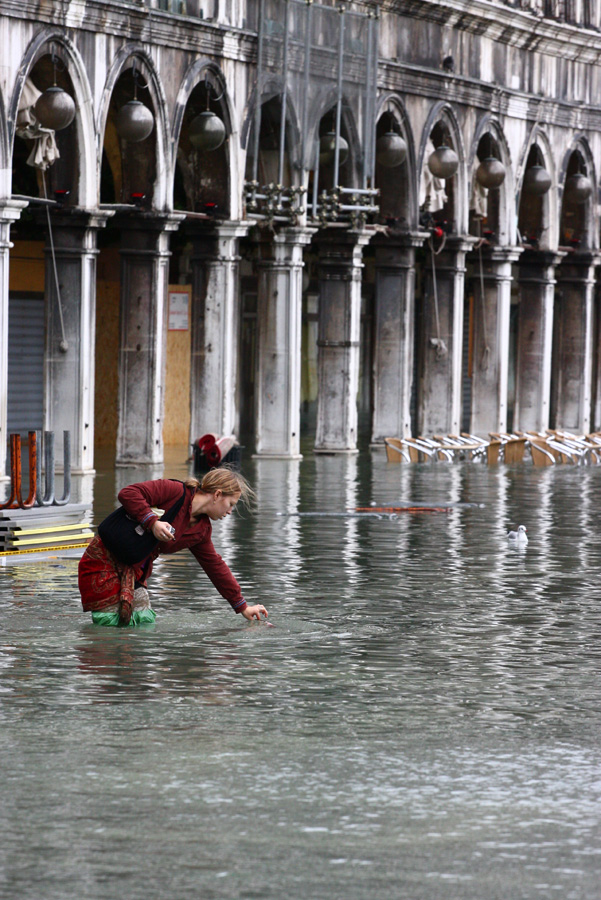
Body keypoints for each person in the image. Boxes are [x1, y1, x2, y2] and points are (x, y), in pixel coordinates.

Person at [78, 467, 268, 627]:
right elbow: (128, 493)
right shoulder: (175, 491)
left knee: (144, 622)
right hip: (103, 561)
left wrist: (242, 607)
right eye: (231, 504)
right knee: (108, 624)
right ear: (218, 495)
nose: (230, 511)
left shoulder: (201, 530)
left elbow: (215, 567)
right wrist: (152, 522)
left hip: (135, 570)